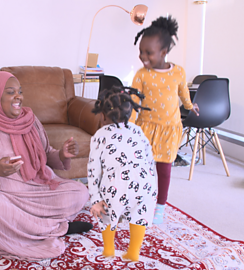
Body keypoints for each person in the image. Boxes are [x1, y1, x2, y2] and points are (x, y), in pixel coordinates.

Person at [0, 71, 92, 261]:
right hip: (0, 195)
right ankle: (57, 228)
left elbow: (45, 154)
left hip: (35, 191)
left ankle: (26, 227)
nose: (18, 96)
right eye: (10, 92)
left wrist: (61, 154)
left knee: (80, 192)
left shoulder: (29, 120)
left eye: (20, 91)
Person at [130, 16, 199, 224]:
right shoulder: (142, 75)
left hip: (170, 129)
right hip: (146, 129)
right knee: (141, 168)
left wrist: (189, 106)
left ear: (163, 52)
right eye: (141, 51)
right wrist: (129, 127)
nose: (143, 56)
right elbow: (134, 102)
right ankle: (139, 201)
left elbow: (183, 93)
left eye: (148, 52)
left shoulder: (178, 72)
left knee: (164, 170)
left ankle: (160, 206)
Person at [87, 86, 157, 262]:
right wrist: (152, 185)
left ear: (103, 115)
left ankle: (109, 249)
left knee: (107, 213)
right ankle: (133, 252)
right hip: (144, 181)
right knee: (139, 214)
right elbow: (149, 157)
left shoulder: (99, 135)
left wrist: (96, 198)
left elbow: (93, 169)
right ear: (130, 113)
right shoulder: (137, 130)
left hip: (115, 184)